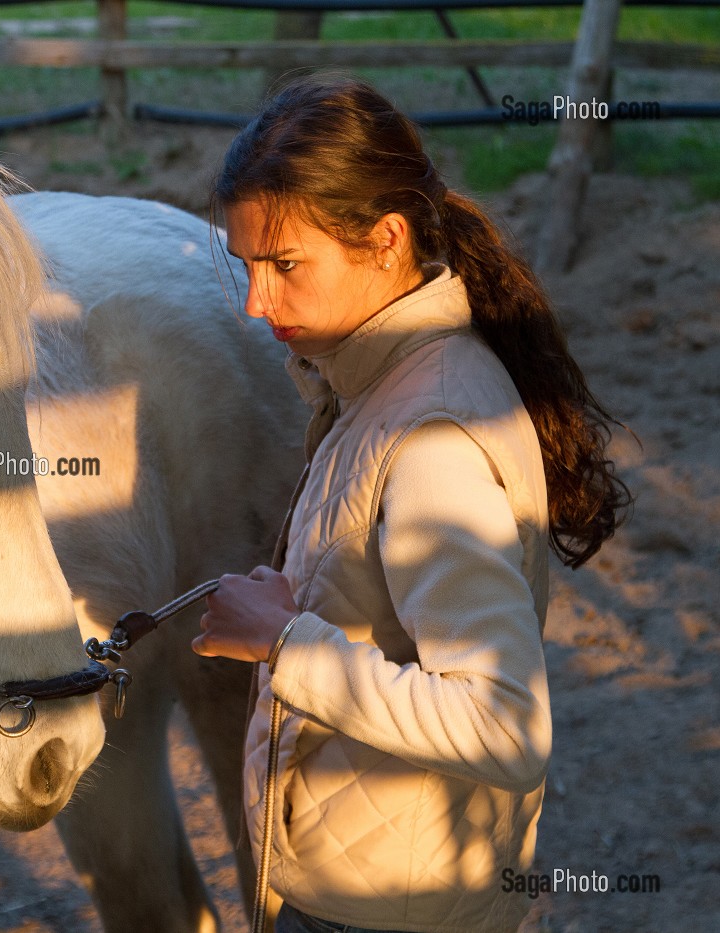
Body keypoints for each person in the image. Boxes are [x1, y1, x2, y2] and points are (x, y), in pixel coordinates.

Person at [191, 76, 631, 933]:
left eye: (284, 266)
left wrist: (284, 641)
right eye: (246, 266)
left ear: (386, 239)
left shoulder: (432, 435)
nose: (255, 301)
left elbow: (503, 724)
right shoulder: (382, 384)